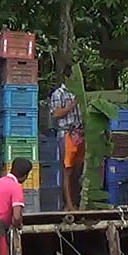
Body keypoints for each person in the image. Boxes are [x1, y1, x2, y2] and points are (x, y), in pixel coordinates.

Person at [49, 66, 85, 211]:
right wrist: (71, 105)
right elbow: (55, 114)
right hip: (66, 134)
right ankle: (68, 204)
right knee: (67, 170)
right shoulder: (59, 94)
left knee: (78, 170)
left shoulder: (80, 93)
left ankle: (76, 202)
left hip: (80, 134)